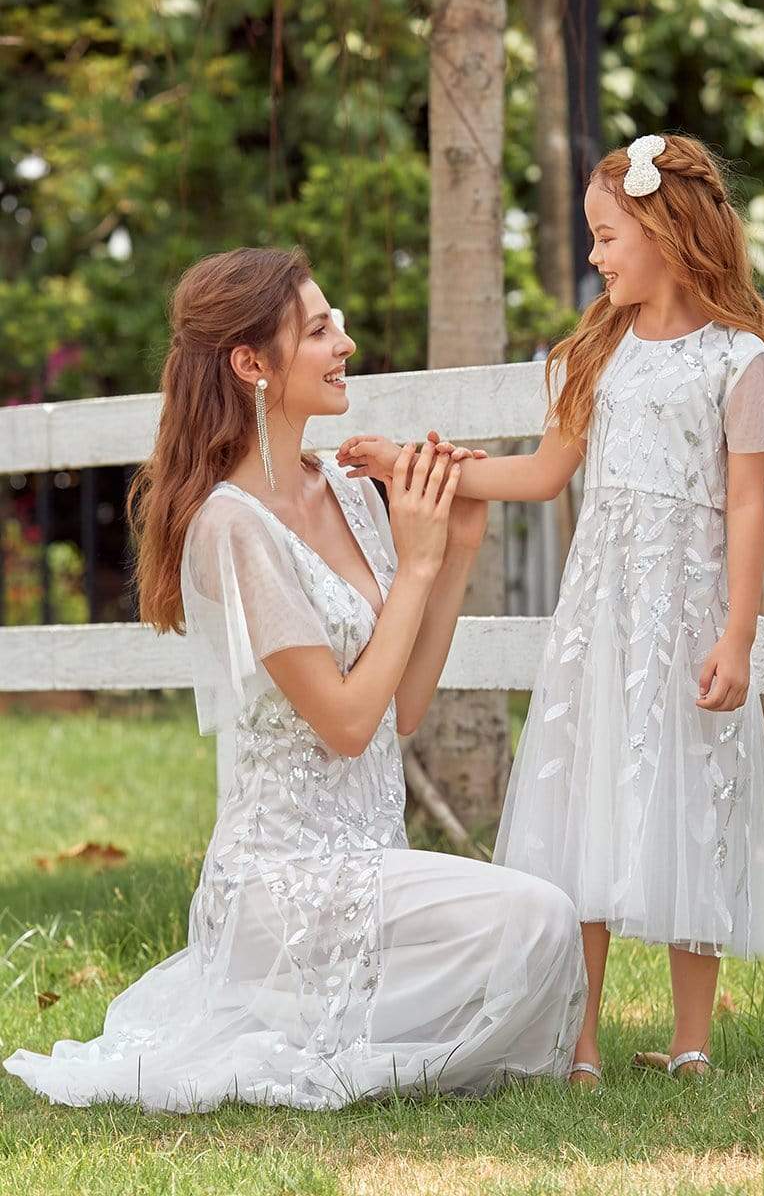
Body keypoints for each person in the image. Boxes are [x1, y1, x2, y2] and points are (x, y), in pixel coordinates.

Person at [3, 247, 586, 1113]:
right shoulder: (229, 529)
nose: (345, 342)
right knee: (540, 918)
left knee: (538, 926)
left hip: (368, 863)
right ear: (251, 364)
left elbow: (404, 709)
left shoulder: (347, 491)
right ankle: (334, 1024)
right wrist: (418, 567)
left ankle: (367, 1025)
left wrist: (455, 546)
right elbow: (346, 724)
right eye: (319, 330)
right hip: (281, 889)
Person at [337, 134, 764, 1088]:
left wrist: (738, 634)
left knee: (695, 799)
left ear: (667, 229)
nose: (594, 256)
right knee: (585, 796)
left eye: (607, 236)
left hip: (687, 615)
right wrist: (418, 467)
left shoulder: (739, 361)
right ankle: (581, 1041)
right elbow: (546, 472)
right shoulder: (598, 352)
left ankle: (691, 1042)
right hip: (601, 615)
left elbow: (751, 500)